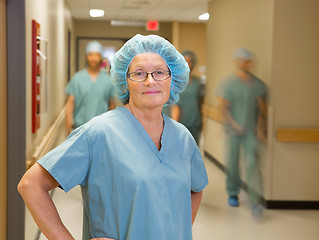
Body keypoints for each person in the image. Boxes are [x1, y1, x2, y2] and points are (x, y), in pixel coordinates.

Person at [18, 34, 209, 240]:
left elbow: (195, 189)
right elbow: (31, 185)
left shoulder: (182, 137)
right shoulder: (98, 133)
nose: (150, 81)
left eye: (160, 72)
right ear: (124, 82)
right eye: (139, 73)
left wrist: (176, 231)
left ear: (173, 79)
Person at [216, 47, 267, 215]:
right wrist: (234, 124)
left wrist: (260, 126)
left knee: (252, 165)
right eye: (242, 60)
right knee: (233, 164)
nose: (245, 63)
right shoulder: (229, 84)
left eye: (248, 60)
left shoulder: (258, 85)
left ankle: (255, 201)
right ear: (237, 61)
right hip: (233, 132)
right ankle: (233, 193)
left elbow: (261, 109)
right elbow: (223, 108)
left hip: (251, 132)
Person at [65, 41, 115, 134]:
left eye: (97, 55)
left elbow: (111, 107)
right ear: (86, 57)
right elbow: (69, 107)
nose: (94, 58)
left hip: (101, 130)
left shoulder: (107, 81)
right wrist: (68, 132)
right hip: (79, 129)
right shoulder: (77, 79)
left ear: (101, 57)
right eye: (90, 54)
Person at [169, 50, 205, 144]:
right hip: (181, 121)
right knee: (182, 150)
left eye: (191, 61)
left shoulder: (198, 82)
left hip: (195, 121)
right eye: (186, 61)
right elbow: (173, 105)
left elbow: (200, 102)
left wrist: (203, 121)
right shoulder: (175, 82)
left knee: (194, 149)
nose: (189, 63)